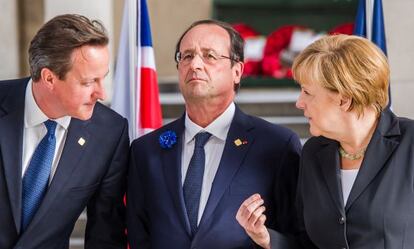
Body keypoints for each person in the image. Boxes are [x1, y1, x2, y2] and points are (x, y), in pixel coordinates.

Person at [127, 19, 302, 249]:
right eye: (187, 56)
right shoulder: (146, 150)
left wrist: (266, 239)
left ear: (237, 71)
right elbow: (139, 236)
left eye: (209, 56)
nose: (195, 65)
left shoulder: (276, 146)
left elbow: (299, 239)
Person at [237, 34, 414, 249]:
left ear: (344, 99)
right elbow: (307, 243)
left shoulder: (410, 144)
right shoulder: (314, 152)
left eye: (307, 92)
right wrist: (266, 238)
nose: (299, 103)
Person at [0, 14, 129, 249]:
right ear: (49, 78)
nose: (101, 94)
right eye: (88, 82)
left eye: (103, 79)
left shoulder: (110, 132)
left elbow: (106, 234)